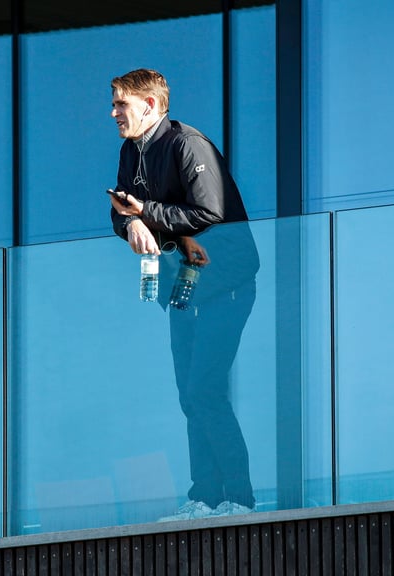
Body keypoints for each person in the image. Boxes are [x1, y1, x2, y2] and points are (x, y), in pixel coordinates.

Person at [107, 69, 260, 521]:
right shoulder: (131, 150)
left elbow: (209, 211)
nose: (113, 113)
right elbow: (121, 211)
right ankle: (206, 498)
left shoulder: (188, 143)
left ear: (150, 106)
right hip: (184, 289)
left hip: (225, 284)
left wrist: (145, 213)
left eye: (121, 104)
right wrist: (132, 223)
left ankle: (240, 501)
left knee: (205, 391)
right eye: (114, 104)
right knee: (190, 396)